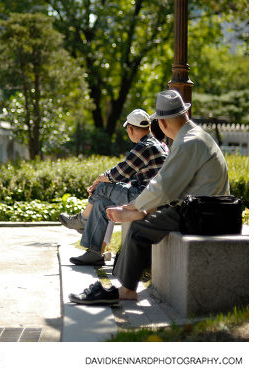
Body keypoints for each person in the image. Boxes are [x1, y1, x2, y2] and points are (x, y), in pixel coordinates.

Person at [69, 89, 230, 305]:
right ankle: (118, 284)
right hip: (207, 210)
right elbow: (172, 189)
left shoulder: (188, 143)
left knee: (140, 228)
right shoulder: (195, 136)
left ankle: (125, 290)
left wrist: (132, 209)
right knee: (141, 221)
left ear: (161, 123)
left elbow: (163, 188)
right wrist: (137, 210)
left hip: (204, 214)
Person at [59, 108, 168, 266]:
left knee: (102, 187)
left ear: (130, 129)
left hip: (145, 199)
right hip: (150, 197)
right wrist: (104, 180)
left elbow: (119, 173)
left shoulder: (144, 146)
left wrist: (98, 180)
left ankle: (83, 220)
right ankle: (94, 253)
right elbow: (125, 172)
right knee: (101, 204)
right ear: (149, 127)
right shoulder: (156, 144)